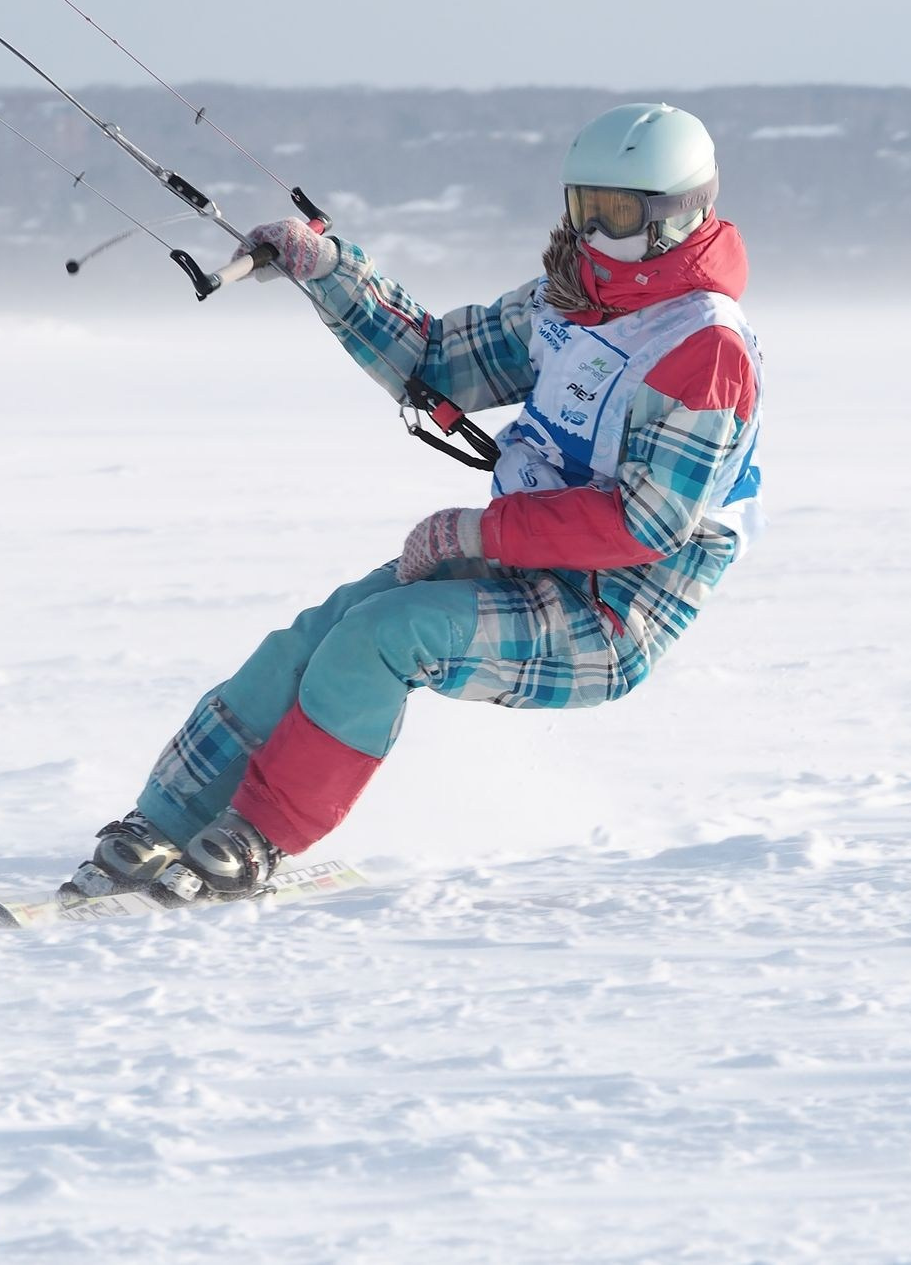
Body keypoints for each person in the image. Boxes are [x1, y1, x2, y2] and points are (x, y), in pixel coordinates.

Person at [65, 102, 765, 904]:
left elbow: (645, 525)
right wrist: (325, 268)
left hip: (611, 614)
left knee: (383, 636)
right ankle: (161, 820)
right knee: (321, 631)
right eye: (582, 209)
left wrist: (475, 529)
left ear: (681, 215)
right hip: (526, 558)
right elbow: (437, 359)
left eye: (616, 215)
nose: (592, 236)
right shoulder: (569, 302)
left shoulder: (705, 353)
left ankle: (257, 836)